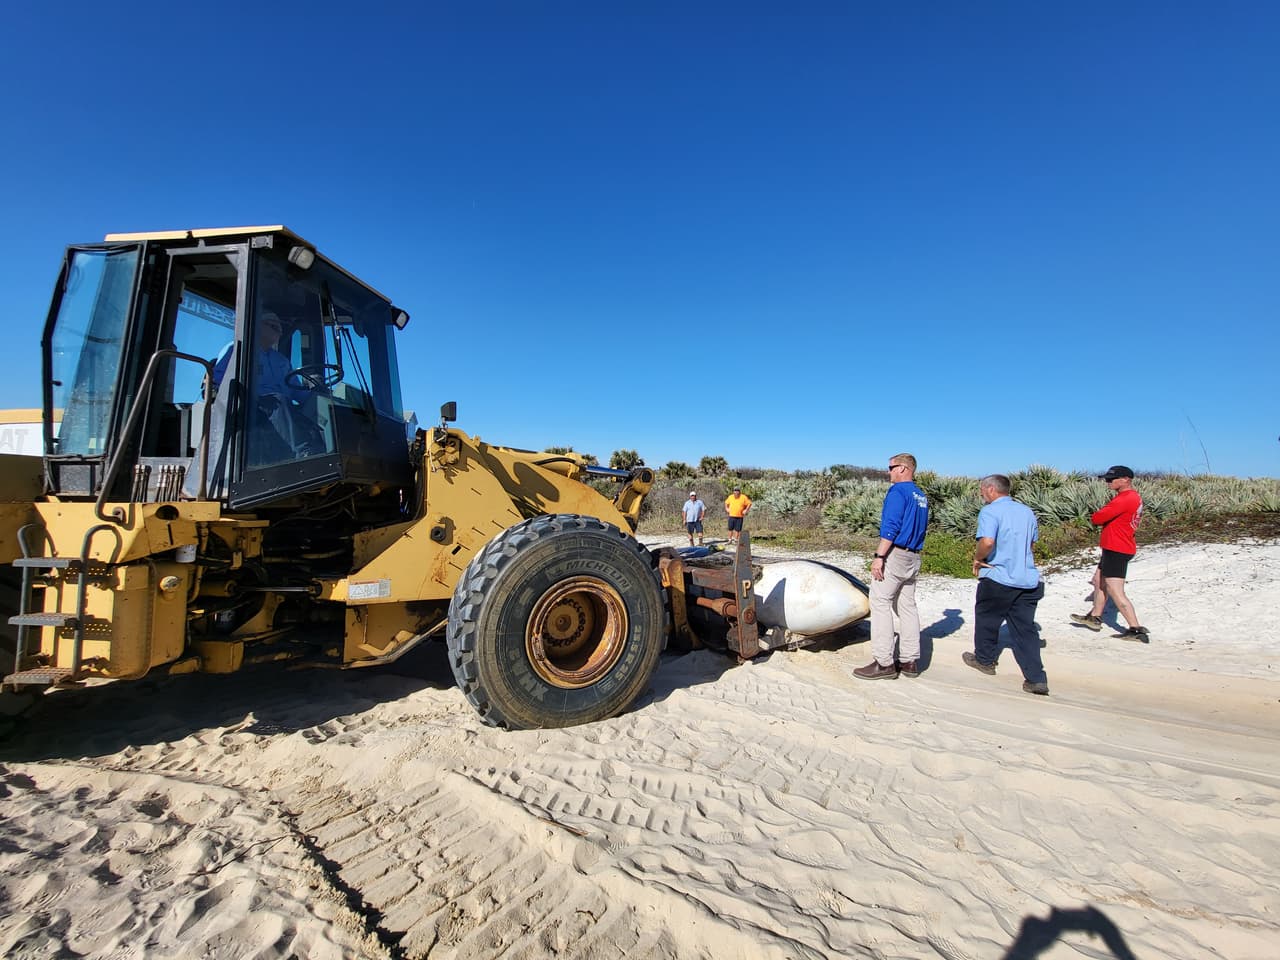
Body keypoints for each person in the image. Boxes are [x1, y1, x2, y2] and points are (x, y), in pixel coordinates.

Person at [964, 475, 1050, 695]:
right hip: (1028, 579)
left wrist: (978, 558)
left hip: (999, 576)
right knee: (1025, 629)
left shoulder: (990, 511)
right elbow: (1031, 544)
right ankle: (1036, 678)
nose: (981, 494)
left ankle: (985, 660)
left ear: (992, 489)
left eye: (982, 489)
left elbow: (987, 541)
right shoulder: (1026, 512)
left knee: (987, 619)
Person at [853, 454, 929, 680]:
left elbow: (891, 527)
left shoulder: (898, 492)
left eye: (891, 467)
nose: (889, 472)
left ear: (904, 468)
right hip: (914, 555)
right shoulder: (921, 495)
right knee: (907, 607)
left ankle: (883, 662)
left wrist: (879, 556)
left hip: (896, 554)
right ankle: (910, 659)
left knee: (880, 603)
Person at [1070, 465, 1149, 642]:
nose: (1107, 483)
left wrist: (1101, 514)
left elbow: (1097, 518)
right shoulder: (1131, 497)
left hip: (1117, 548)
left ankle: (1136, 629)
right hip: (1115, 547)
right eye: (1106, 479)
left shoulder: (1125, 498)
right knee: (1099, 581)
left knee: (1115, 590)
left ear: (1125, 480)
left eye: (1111, 480)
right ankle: (1095, 617)